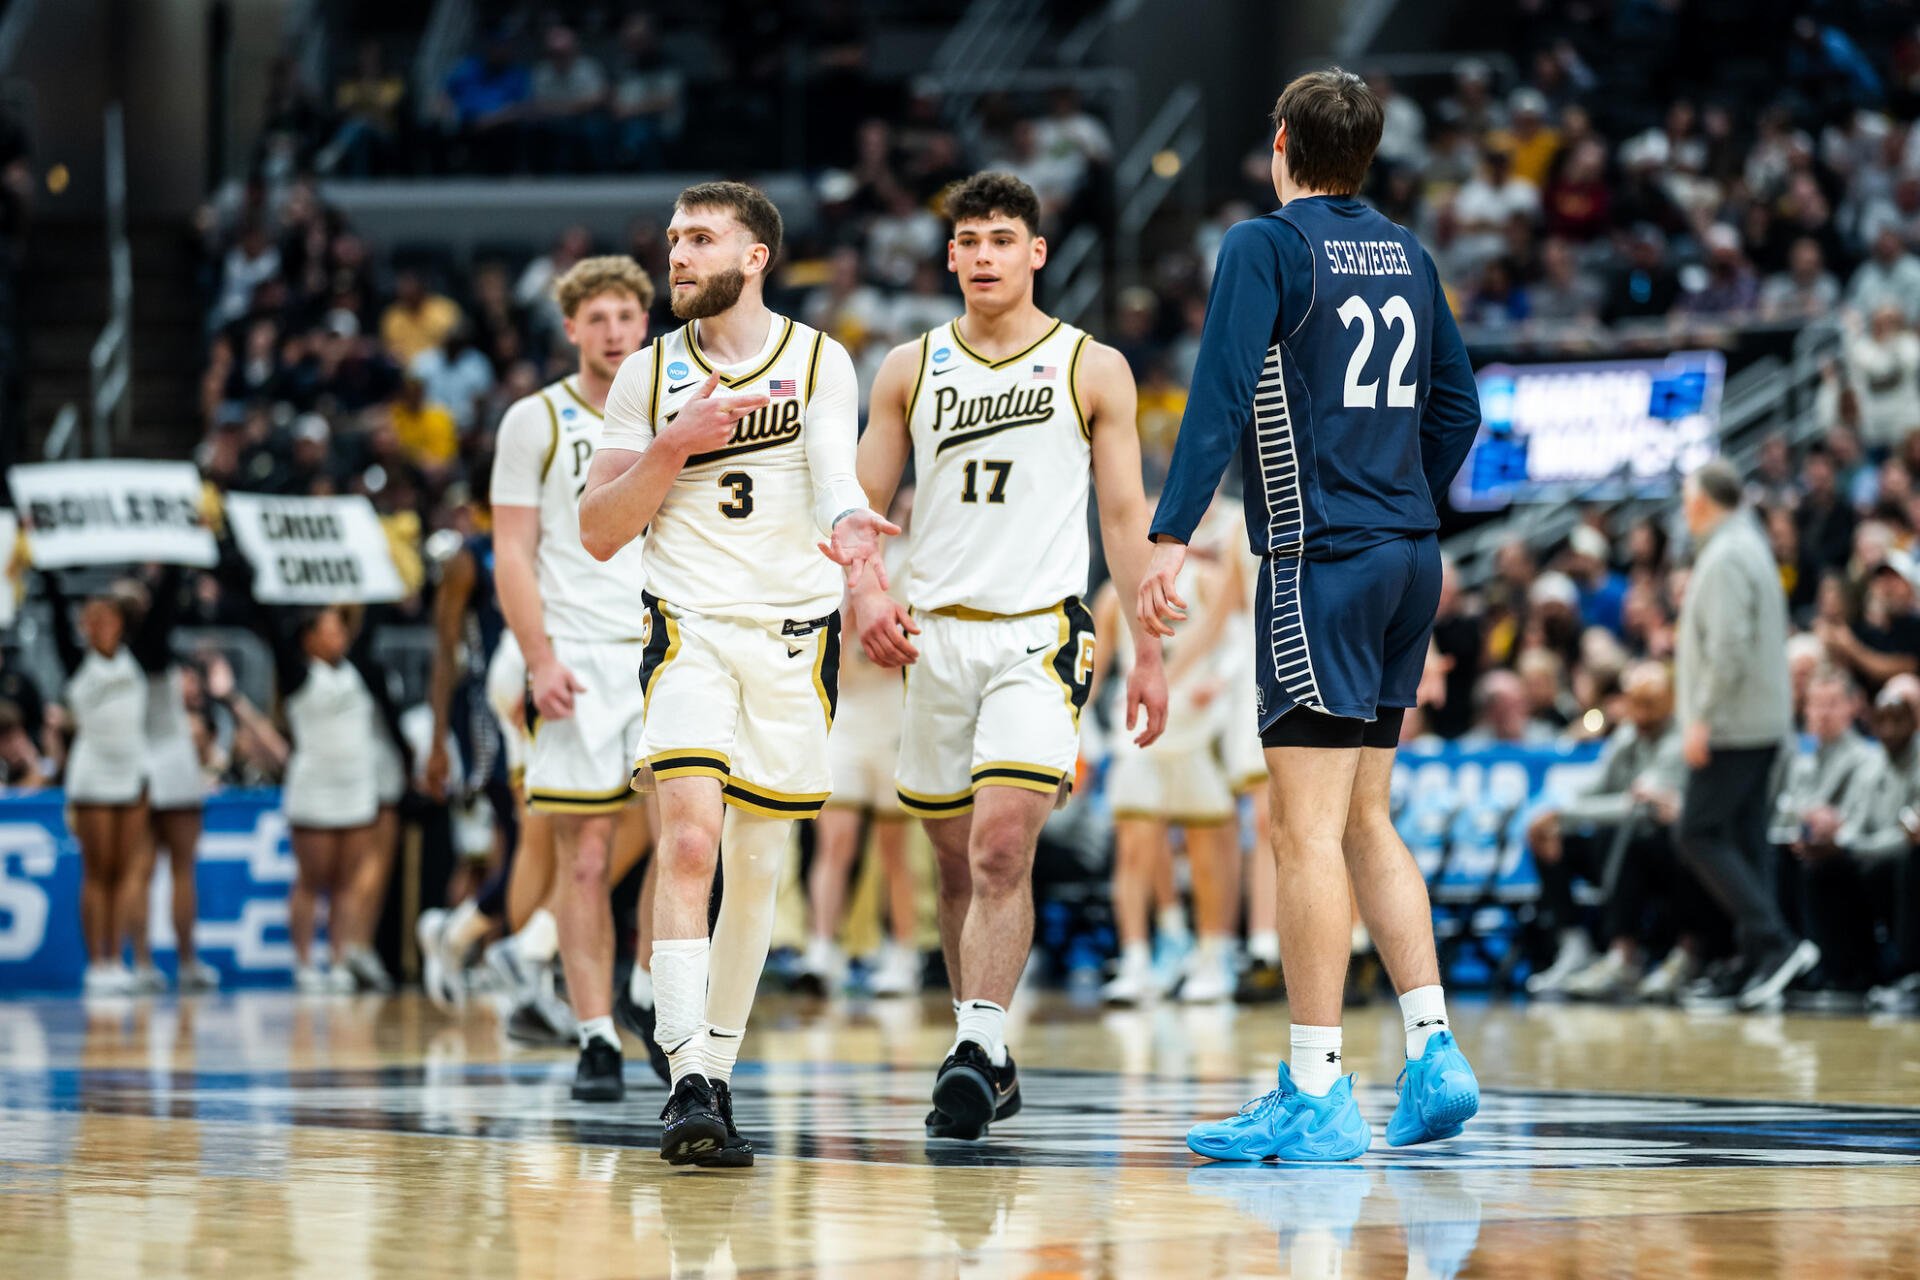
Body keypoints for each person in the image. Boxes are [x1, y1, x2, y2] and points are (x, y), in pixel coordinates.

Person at [1138, 70, 1483, 1163]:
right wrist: (1403, 496)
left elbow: (1219, 392)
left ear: (1280, 142)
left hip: (1317, 559)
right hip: (1409, 556)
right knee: (1368, 815)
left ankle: (1316, 1086)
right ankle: (1433, 1050)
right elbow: (1460, 406)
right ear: (1367, 154)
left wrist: (1170, 533)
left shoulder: (1265, 245)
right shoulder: (1408, 253)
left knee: (1303, 830)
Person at [848, 170, 1168, 1142]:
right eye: (970, 241)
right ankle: (984, 1050)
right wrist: (866, 591)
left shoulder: (1091, 366)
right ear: (949, 257)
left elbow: (1124, 518)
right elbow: (857, 512)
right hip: (934, 634)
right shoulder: (908, 367)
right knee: (956, 865)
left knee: (999, 847)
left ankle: (978, 1041)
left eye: (1002, 239)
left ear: (1036, 252)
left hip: (1039, 631)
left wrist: (1148, 651)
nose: (984, 255)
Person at [582, 181, 895, 1168]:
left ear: (755, 256)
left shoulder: (818, 358)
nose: (678, 253)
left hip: (795, 637)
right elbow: (598, 528)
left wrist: (856, 540)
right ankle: (683, 1075)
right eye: (674, 238)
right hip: (689, 629)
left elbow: (837, 480)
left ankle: (716, 1070)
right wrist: (672, 445)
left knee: (758, 870)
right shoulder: (646, 374)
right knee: (688, 841)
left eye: (701, 238)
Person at [489, 255, 659, 1099]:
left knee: (685, 839)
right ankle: (594, 1035)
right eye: (598, 318)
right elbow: (511, 552)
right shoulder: (535, 419)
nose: (614, 332)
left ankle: (652, 992)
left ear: (646, 322)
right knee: (585, 860)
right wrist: (539, 658)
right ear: (570, 329)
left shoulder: (677, 406)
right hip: (579, 656)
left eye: (626, 316)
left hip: (665, 648)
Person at [1672, 460, 1815, 1011]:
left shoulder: (1729, 555)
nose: (1685, 509)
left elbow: (1728, 648)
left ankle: (1775, 942)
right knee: (1746, 838)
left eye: (1688, 498)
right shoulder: (1745, 546)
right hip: (1757, 722)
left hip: (1734, 724)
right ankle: (1760, 956)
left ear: (1703, 501)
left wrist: (1702, 718)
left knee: (1697, 832)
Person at [1093, 500, 1240, 1006]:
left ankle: (1213, 955)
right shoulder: (1114, 594)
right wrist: (1075, 726)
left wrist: (1218, 681)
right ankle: (1138, 957)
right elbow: (1095, 669)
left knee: (1205, 848)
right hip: (1136, 727)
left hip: (1195, 725)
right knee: (1134, 846)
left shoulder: (1207, 580)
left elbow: (1234, 639)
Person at [797, 490, 920, 999]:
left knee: (894, 849)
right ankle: (820, 949)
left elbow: (911, 648)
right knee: (835, 842)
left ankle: (904, 953)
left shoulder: (914, 567)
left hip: (894, 713)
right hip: (846, 714)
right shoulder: (832, 565)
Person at [1523, 662, 1690, 1001]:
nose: (1639, 713)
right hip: (1624, 849)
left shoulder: (1680, 740)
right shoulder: (1628, 734)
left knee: (1620, 836)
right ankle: (1574, 944)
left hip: (1668, 856)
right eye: (1634, 701)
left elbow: (1638, 809)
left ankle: (1625, 955)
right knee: (1552, 839)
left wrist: (1564, 813)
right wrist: (1553, 815)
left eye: (1649, 703)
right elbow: (1597, 787)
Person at [42, 572, 152, 996]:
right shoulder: (76, 660)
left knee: (124, 870)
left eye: (110, 618)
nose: (103, 626)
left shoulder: (138, 656)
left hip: (132, 769)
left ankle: (118, 958)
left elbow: (157, 612)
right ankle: (97, 962)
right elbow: (55, 610)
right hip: (93, 773)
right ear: (84, 625)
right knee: (97, 869)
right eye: (94, 619)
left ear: (122, 623)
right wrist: (44, 565)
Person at [133, 566, 219, 994]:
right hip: (171, 764)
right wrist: (173, 562)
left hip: (139, 768)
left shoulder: (120, 657)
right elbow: (164, 609)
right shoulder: (151, 650)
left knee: (141, 871)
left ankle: (143, 963)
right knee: (178, 869)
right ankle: (183, 962)